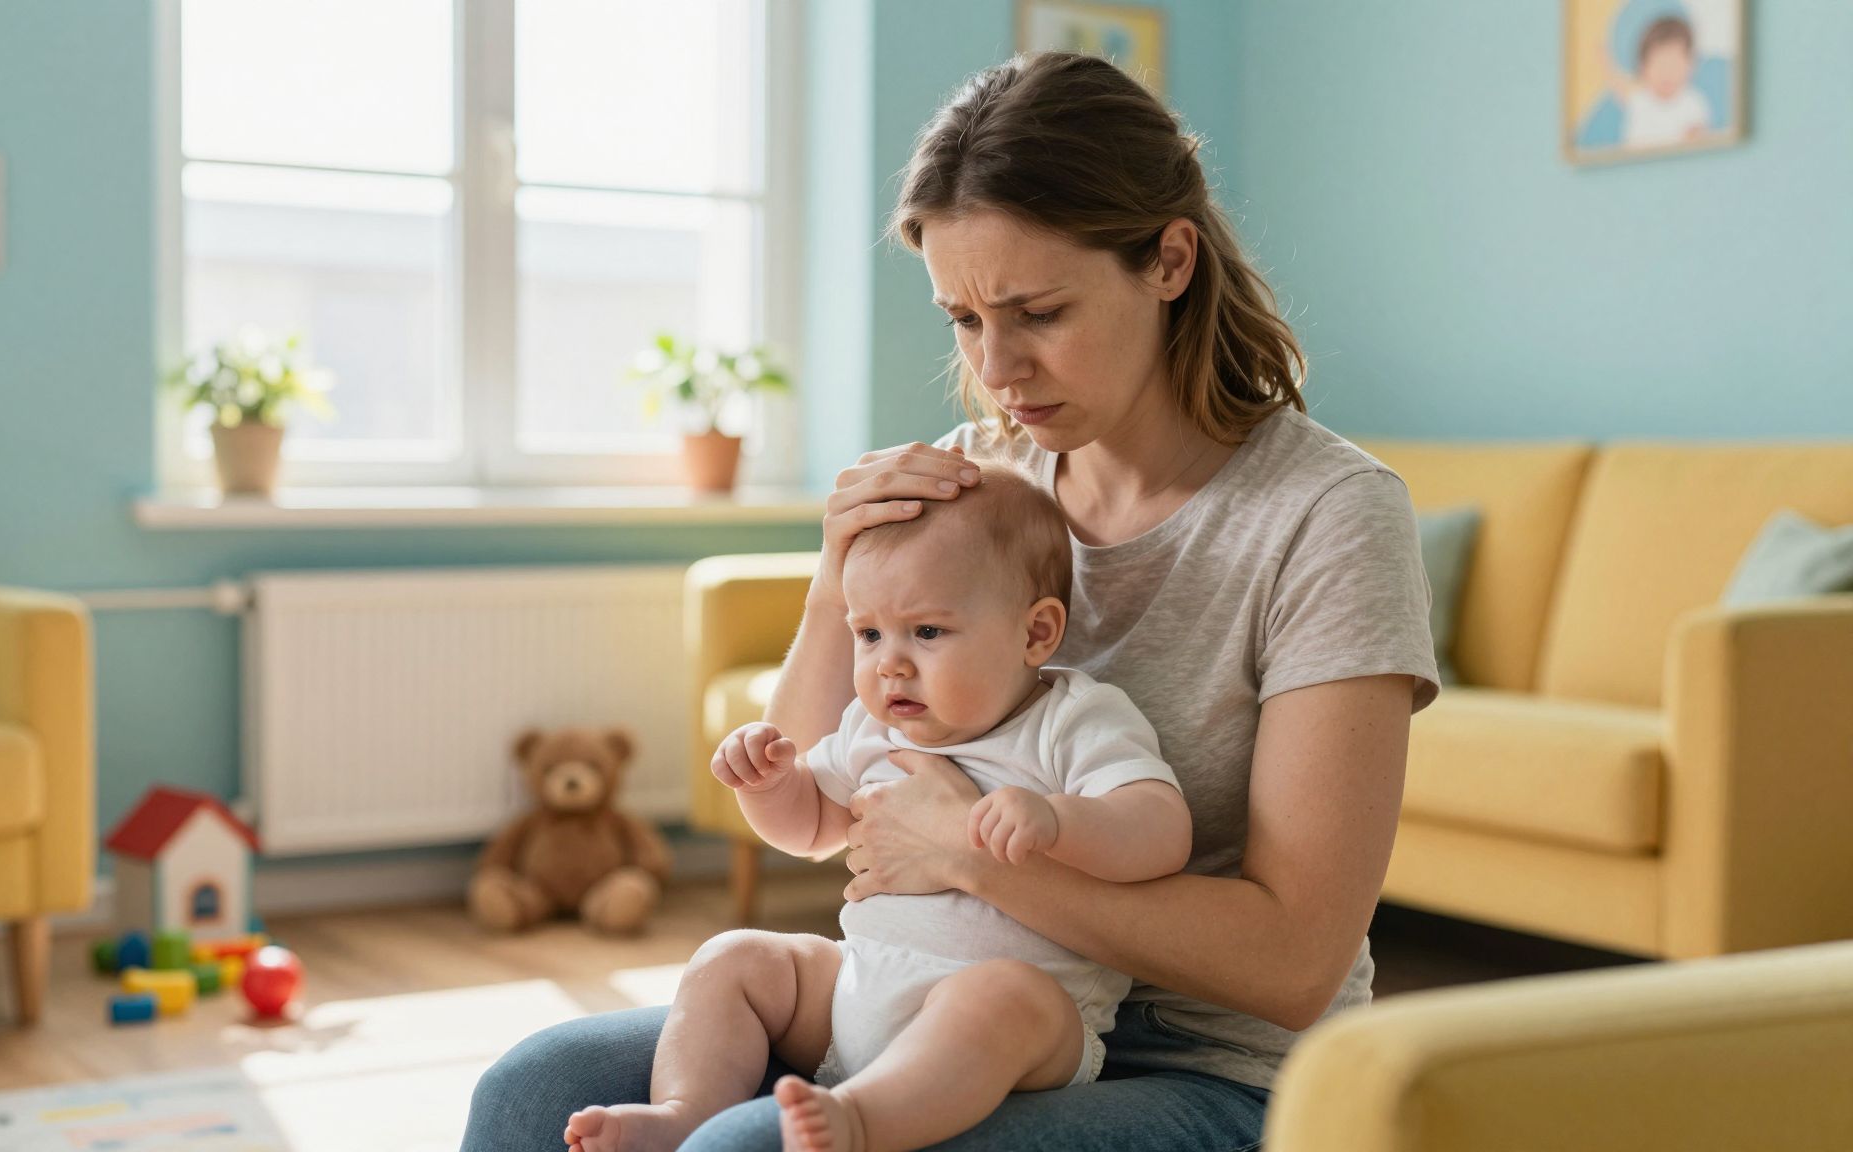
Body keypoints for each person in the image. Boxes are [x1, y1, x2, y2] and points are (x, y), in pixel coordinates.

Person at [464, 51, 1437, 1151]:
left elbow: (1291, 963)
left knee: (745, 1148)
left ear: (1167, 260)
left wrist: (965, 859)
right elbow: (816, 804)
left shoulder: (1322, 515)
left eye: (1036, 311)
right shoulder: (968, 485)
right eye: (962, 321)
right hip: (915, 1002)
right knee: (532, 1088)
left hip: (1215, 1069)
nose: (999, 366)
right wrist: (837, 580)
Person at [564, 464, 1190, 1152]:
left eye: (926, 632)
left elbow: (1161, 831)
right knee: (732, 957)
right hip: (856, 991)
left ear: (1035, 633)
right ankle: (686, 1111)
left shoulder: (1073, 721)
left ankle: (863, 1122)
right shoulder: (874, 729)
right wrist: (771, 787)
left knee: (1001, 998)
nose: (890, 664)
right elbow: (811, 831)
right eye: (869, 635)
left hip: (1022, 1029)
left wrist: (1061, 822)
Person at [1609, 14, 1711, 149]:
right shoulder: (1639, 99)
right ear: (1643, 68)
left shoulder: (1692, 103)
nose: (1666, 74)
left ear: (1690, 65)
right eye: (1659, 65)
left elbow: (1698, 138)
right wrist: (1602, 56)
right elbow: (1617, 84)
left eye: (1674, 65)